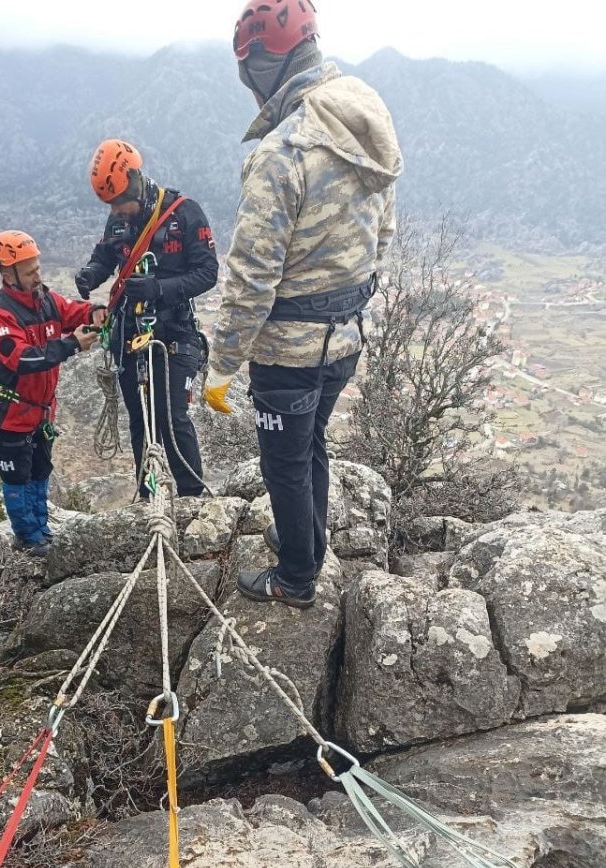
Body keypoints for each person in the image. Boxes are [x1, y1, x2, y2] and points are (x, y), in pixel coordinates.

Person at [204, 0, 403, 608]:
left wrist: (222, 365)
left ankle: (296, 576)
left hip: (288, 349)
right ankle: (306, 540)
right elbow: (383, 233)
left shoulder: (283, 152)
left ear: (263, 62)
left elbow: (251, 277)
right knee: (310, 440)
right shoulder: (361, 123)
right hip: (344, 336)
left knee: (286, 461)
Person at [75, 139, 218, 498]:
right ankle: (147, 494)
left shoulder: (185, 214)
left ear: (137, 181)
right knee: (139, 419)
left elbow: (207, 273)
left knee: (172, 418)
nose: (118, 210)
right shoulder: (118, 219)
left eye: (121, 201)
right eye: (112, 205)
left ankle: (191, 496)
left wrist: (159, 289)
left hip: (174, 331)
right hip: (129, 332)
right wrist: (92, 273)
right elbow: (106, 254)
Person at [0, 230, 106, 556]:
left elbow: (70, 311)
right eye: (30, 270)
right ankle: (28, 539)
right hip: (10, 414)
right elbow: (21, 359)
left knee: (40, 471)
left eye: (38, 268)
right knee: (17, 479)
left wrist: (94, 313)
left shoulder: (44, 300)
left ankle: (41, 530)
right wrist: (71, 344)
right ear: (9, 274)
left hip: (40, 412)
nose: (38, 275)